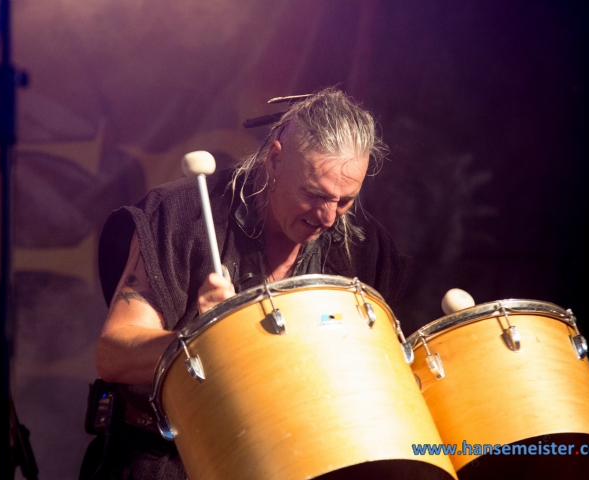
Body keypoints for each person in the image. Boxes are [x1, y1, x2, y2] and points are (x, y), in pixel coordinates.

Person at [79, 87, 412, 480]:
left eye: (345, 200)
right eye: (314, 193)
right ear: (274, 160)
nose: (328, 217)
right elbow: (114, 355)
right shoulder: (181, 214)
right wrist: (204, 339)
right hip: (167, 459)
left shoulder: (365, 249)